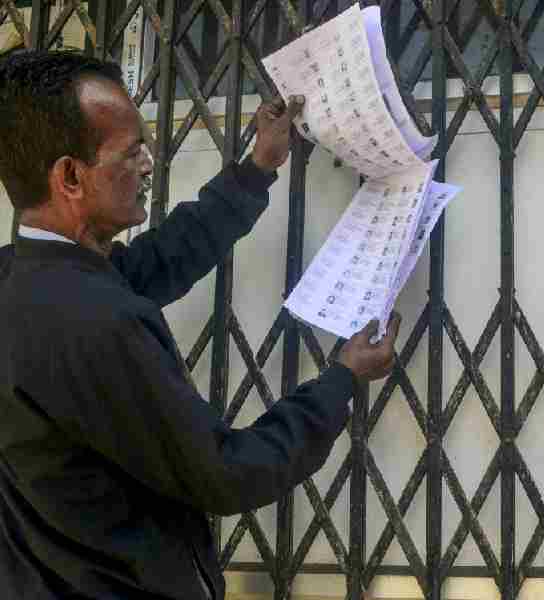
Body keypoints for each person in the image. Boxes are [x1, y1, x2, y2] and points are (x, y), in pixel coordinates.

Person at [0, 50, 400, 599]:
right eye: (132, 152)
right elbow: (227, 473)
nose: (148, 165)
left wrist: (256, 169)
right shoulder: (96, 322)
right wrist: (342, 379)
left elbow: (159, 260)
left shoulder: (24, 276)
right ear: (70, 176)